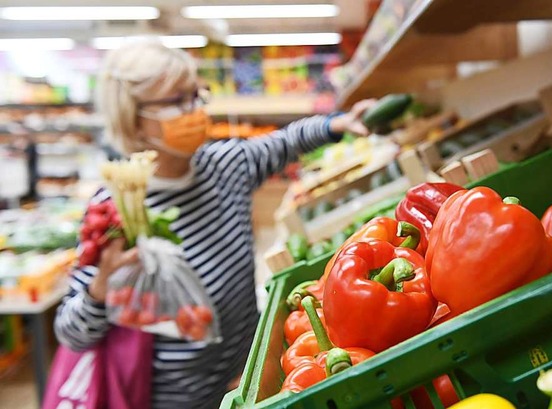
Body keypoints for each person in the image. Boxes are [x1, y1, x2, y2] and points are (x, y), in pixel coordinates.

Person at [54, 39, 374, 408]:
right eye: (176, 101)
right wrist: (100, 289)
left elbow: (284, 143)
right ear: (133, 117)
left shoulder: (224, 164)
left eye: (196, 95)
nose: (194, 111)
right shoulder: (118, 207)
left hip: (251, 370)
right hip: (175, 399)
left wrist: (338, 123)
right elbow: (72, 333)